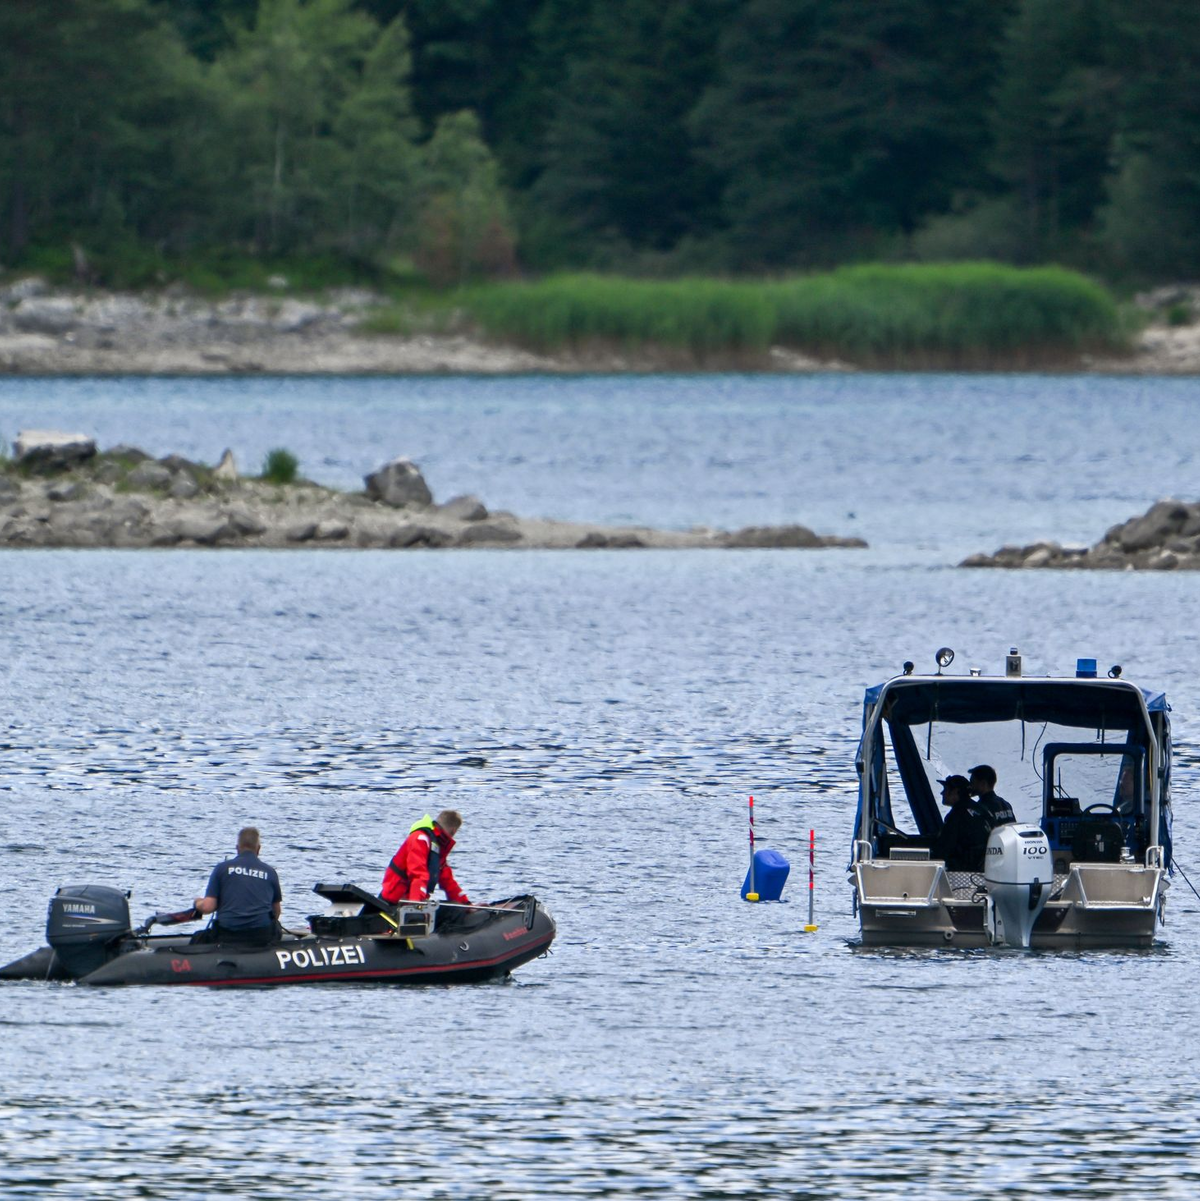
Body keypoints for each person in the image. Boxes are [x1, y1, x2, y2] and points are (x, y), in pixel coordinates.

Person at [193, 826, 282, 946]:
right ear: (258, 849)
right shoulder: (270, 872)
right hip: (261, 936)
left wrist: (197, 902)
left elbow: (208, 907)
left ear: (237, 848)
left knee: (198, 938)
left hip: (227, 935)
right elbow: (276, 911)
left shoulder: (222, 868)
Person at [381, 810, 471, 906]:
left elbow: (447, 880)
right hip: (396, 900)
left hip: (410, 899)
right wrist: (416, 905)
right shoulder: (421, 839)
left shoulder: (436, 846)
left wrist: (466, 904)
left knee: (453, 910)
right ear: (454, 830)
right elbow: (418, 874)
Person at [931, 775, 992, 872]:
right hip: (984, 869)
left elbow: (943, 849)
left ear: (955, 791)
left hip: (963, 870)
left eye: (946, 789)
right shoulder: (982, 810)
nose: (942, 793)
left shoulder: (957, 815)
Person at [969, 764, 1016, 829]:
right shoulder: (1006, 805)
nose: (970, 786)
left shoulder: (979, 808)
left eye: (972, 782)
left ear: (983, 784)